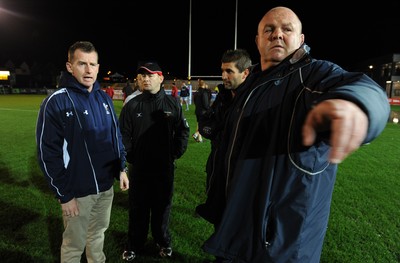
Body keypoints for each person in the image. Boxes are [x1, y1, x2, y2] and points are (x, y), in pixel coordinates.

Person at [201, 6, 390, 263]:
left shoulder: (315, 74)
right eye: (269, 29)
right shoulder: (251, 82)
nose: (277, 34)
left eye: (286, 29)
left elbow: (366, 88)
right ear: (257, 40)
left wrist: (357, 105)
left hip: (280, 242)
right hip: (235, 226)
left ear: (300, 39)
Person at [36, 41, 129, 263]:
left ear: (98, 67)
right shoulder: (56, 102)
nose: (88, 70)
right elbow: (47, 153)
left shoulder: (104, 98)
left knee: (97, 237)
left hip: (106, 188)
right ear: (70, 67)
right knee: (73, 246)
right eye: (82, 64)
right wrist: (64, 195)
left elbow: (115, 137)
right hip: (77, 193)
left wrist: (122, 168)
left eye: (92, 64)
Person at [119, 62, 190, 261]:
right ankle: (134, 244)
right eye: (142, 75)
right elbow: (123, 135)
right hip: (139, 170)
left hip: (164, 169)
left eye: (150, 75)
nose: (145, 79)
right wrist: (131, 156)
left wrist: (174, 153)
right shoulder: (132, 104)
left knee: (162, 209)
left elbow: (183, 131)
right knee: (137, 210)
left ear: (160, 78)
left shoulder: (173, 104)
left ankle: (163, 241)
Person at [195, 49, 252, 227]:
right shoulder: (223, 95)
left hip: (240, 172)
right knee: (219, 221)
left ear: (245, 73)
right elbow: (207, 125)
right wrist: (216, 131)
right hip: (218, 164)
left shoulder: (253, 98)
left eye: (229, 71)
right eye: (222, 71)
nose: (224, 76)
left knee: (237, 222)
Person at [193, 79, 211, 143]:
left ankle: (199, 138)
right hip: (203, 112)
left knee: (199, 124)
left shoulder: (197, 92)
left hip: (197, 110)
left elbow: (194, 101)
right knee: (203, 125)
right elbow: (206, 104)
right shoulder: (204, 92)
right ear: (203, 84)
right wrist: (209, 110)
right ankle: (196, 134)